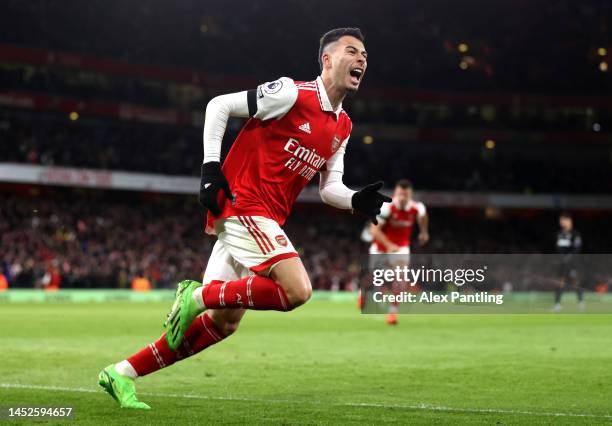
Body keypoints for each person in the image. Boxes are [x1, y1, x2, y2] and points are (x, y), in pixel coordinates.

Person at [98, 27, 390, 409]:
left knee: (224, 322)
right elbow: (218, 106)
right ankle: (197, 295)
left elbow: (328, 186)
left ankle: (122, 373)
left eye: (366, 55)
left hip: (265, 218)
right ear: (327, 59)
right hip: (244, 206)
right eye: (353, 52)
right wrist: (209, 169)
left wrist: (355, 200)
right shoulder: (290, 93)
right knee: (297, 290)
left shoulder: (343, 127)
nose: (362, 60)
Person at [367, 179, 428, 325]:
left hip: (401, 247)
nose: (402, 197)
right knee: (374, 276)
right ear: (396, 192)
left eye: (405, 194)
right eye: (400, 193)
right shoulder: (387, 207)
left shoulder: (417, 207)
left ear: (410, 194)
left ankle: (392, 313)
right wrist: (389, 245)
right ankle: (367, 294)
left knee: (400, 278)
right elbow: (373, 230)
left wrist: (424, 232)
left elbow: (423, 217)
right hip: (380, 247)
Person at [553, 211, 583, 312]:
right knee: (560, 282)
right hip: (562, 262)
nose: (561, 223)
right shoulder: (560, 234)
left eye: (563, 220)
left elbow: (577, 248)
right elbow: (558, 247)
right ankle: (557, 304)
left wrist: (569, 257)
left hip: (572, 263)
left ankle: (581, 302)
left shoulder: (575, 234)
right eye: (560, 221)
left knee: (575, 282)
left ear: (569, 221)